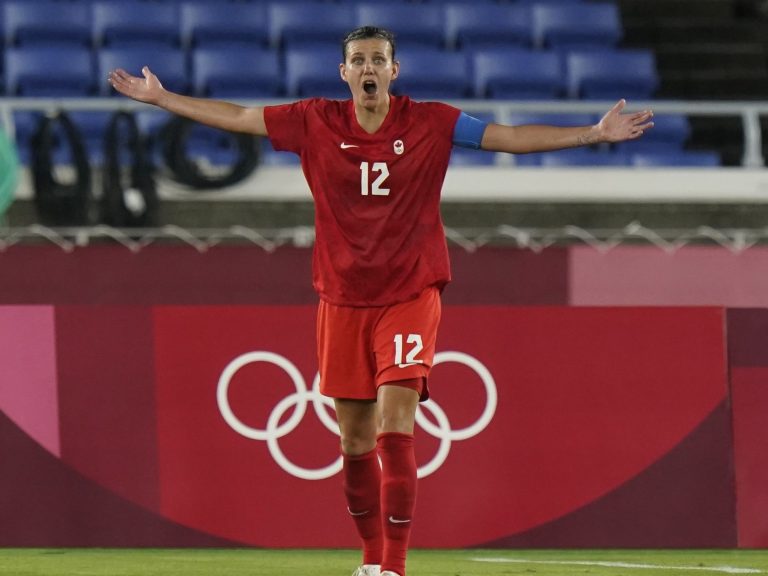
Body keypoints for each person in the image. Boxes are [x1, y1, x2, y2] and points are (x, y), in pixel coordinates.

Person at [109, 26, 653, 576]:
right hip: (342, 298)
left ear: (395, 71)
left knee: (397, 424)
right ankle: (371, 560)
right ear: (344, 72)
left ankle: (393, 567)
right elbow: (239, 117)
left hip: (410, 292)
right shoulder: (313, 120)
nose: (368, 68)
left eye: (378, 60)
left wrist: (593, 133)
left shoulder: (432, 122)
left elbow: (507, 136)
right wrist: (163, 99)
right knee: (354, 440)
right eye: (358, 60)